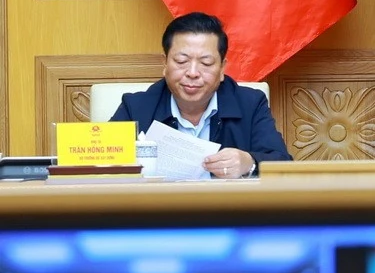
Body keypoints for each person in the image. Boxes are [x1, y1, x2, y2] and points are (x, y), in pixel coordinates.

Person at [109, 12, 291, 177]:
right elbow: (104, 162)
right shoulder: (135, 107)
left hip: (226, 203)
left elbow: (284, 164)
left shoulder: (250, 103)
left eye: (206, 63)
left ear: (222, 68)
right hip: (158, 203)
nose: (193, 73)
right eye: (182, 61)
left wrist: (249, 163)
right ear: (165, 64)